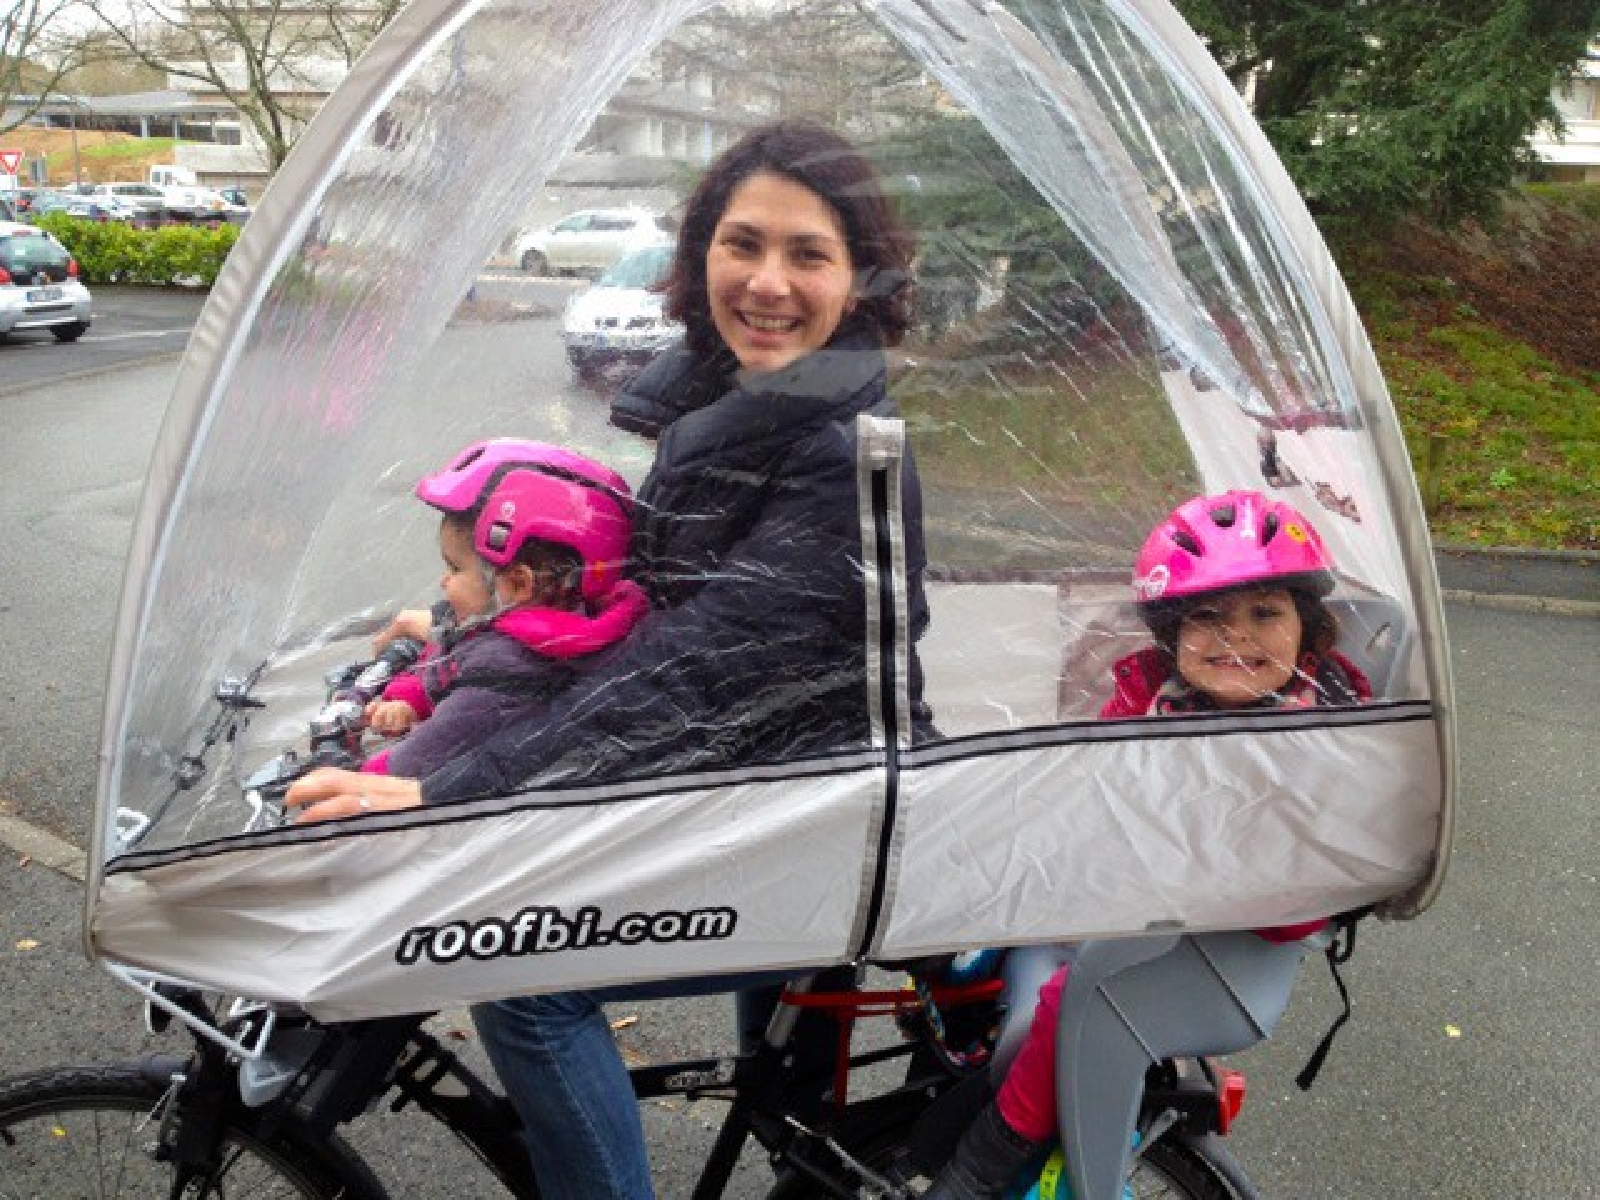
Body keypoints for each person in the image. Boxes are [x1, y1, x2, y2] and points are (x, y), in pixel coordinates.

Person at [287, 119, 928, 1198]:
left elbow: (692, 666)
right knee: (796, 1120)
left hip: (813, 816)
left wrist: (454, 791)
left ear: (856, 280)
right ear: (701, 255)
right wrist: (467, 638)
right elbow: (631, 611)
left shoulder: (835, 453)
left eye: (807, 255)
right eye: (743, 243)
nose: (767, 282)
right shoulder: (728, 409)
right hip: (741, 787)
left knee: (524, 979)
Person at [925, 489, 1370, 1200]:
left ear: (1308, 630)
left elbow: (1293, 904)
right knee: (962, 906)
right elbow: (1098, 790)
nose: (1236, 638)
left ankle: (985, 1157)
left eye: (1265, 613)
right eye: (1207, 617)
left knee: (1067, 1003)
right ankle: (963, 1040)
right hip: (1121, 900)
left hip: (1198, 949)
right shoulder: (1153, 698)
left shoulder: (1317, 739)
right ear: (1171, 633)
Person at [358, 438, 648, 779]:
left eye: (454, 569)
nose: (443, 582)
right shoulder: (500, 625)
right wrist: (406, 701)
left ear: (519, 584)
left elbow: (407, 767)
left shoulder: (508, 671)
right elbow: (442, 664)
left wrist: (342, 775)